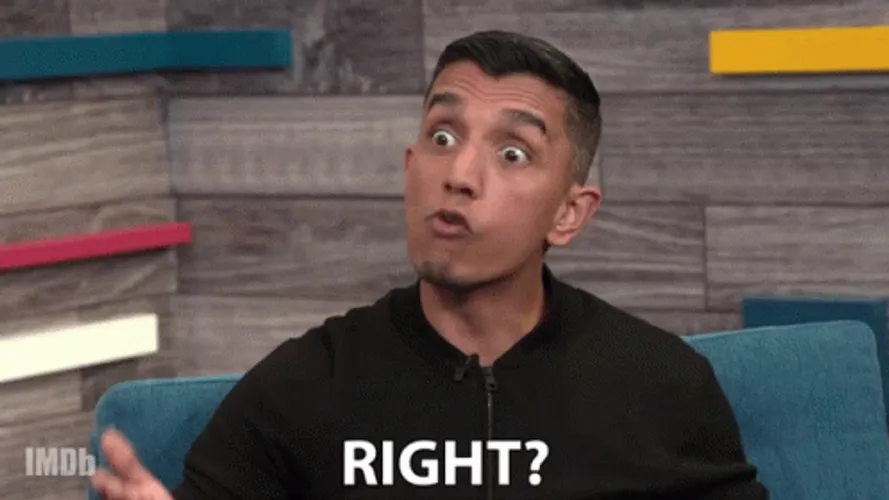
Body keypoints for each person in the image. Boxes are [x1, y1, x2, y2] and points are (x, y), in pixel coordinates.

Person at [91, 30, 769, 499]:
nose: (460, 174)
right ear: (410, 167)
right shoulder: (302, 387)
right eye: (442, 137)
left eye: (512, 153)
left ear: (569, 213)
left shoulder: (661, 384)